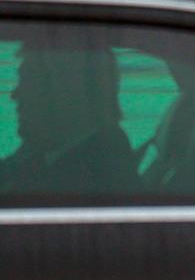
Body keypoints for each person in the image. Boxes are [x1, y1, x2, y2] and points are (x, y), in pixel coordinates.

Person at [1, 39, 135, 195]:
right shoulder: (45, 152)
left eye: (27, 81)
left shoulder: (81, 187)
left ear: (65, 92)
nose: (15, 95)